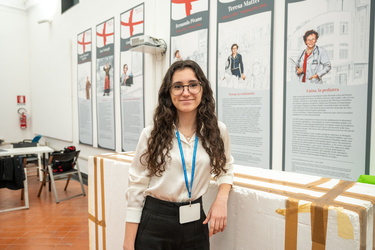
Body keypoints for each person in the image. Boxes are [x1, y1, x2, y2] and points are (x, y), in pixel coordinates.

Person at [123, 60, 234, 250]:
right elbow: (137, 186)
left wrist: (221, 200)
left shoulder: (217, 131)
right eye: (177, 86)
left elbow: (226, 168)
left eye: (193, 85)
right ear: (169, 93)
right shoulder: (151, 134)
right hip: (155, 221)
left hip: (196, 223)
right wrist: (128, 242)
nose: (186, 92)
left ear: (203, 89)